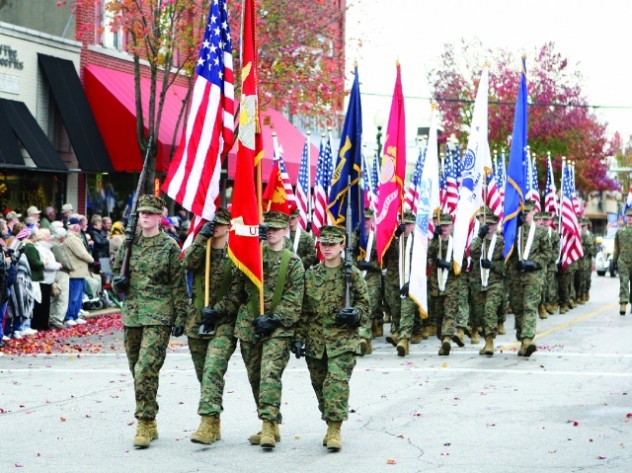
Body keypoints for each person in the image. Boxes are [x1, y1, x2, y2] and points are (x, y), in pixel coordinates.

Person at [111, 194, 190, 449]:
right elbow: (116, 278)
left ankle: (144, 421)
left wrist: (181, 316)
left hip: (159, 314)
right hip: (133, 313)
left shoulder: (169, 247)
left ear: (159, 217)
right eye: (142, 212)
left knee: (146, 368)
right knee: (137, 370)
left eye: (150, 213)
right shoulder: (128, 244)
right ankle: (151, 415)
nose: (145, 216)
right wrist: (118, 285)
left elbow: (179, 286)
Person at [233, 210, 304, 450]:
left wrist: (274, 319)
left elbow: (295, 298)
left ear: (286, 231)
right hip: (250, 325)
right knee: (255, 376)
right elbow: (236, 277)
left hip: (278, 328)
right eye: (268, 228)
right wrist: (251, 243)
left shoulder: (293, 262)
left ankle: (266, 426)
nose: (272, 232)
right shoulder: (253, 256)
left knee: (269, 374)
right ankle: (271, 422)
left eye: (276, 228)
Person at [297, 224, 369, 450]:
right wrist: (297, 338)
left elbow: (366, 307)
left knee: (335, 385)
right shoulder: (311, 275)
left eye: (332, 244)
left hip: (343, 341)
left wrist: (355, 313)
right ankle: (329, 420)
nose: (327, 248)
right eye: (323, 244)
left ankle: (335, 429)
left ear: (342, 246)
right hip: (316, 342)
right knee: (320, 387)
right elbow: (302, 311)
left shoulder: (352, 275)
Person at [181, 208, 239, 444]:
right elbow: (186, 264)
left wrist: (218, 309)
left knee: (213, 368)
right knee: (203, 374)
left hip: (223, 322)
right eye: (211, 225)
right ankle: (214, 420)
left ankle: (205, 423)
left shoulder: (235, 254)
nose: (215, 228)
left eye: (219, 225)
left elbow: (239, 290)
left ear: (228, 227)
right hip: (196, 320)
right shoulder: (201, 249)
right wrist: (201, 237)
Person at [506, 200, 551, 357]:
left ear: (534, 212)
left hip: (533, 276)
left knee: (529, 307)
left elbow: (548, 254)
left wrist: (534, 263)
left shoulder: (541, 232)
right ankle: (522, 337)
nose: (526, 215)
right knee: (518, 308)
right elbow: (507, 254)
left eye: (529, 212)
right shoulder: (513, 232)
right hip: (516, 277)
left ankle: (527, 340)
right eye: (523, 212)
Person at [468, 209, 505, 356]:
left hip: (494, 282)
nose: (489, 226)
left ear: (496, 225)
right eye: (486, 223)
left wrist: (493, 265)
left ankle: (490, 342)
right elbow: (472, 253)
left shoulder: (501, 242)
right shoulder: (479, 240)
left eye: (492, 224)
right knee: (480, 314)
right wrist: (479, 236)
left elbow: (505, 265)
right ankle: (486, 340)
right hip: (478, 282)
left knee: (490, 310)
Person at [64, 217, 94, 326]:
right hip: (75, 271)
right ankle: (69, 316)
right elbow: (81, 253)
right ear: (76, 226)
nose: (80, 227)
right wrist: (91, 259)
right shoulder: (72, 238)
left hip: (80, 271)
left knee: (79, 295)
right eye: (79, 224)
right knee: (73, 295)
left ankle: (75, 315)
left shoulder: (75, 237)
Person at [32, 228, 62, 331]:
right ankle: (40, 325)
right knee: (41, 304)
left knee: (46, 303)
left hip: (48, 279)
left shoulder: (46, 248)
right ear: (44, 237)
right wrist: (58, 265)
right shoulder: (40, 248)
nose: (50, 238)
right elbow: (46, 264)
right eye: (48, 236)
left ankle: (44, 324)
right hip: (43, 279)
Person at [49, 226, 73, 330]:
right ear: (62, 237)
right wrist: (71, 267)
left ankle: (52, 318)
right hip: (61, 273)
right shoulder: (57, 246)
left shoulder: (52, 244)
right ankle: (57, 319)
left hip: (55, 272)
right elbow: (62, 260)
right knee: (62, 297)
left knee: (55, 296)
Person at [614, 208, 632, 315]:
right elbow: (616, 247)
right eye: (629, 217)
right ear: (626, 218)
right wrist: (614, 260)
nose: (630, 219)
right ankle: (623, 304)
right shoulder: (620, 231)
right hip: (623, 261)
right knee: (624, 282)